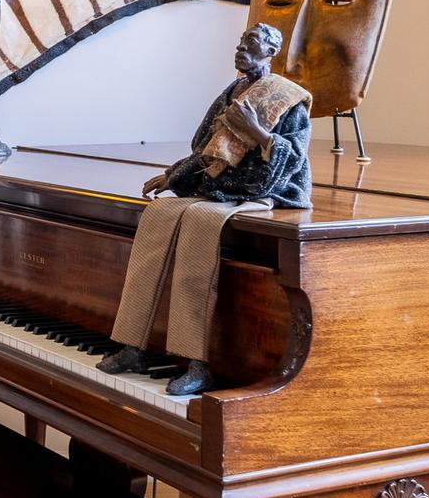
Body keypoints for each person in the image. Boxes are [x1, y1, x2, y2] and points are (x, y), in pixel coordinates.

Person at [97, 22, 312, 393]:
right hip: (218, 185)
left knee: (200, 222)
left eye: (251, 43)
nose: (241, 48)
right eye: (241, 42)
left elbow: (293, 157)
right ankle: (132, 344)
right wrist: (174, 175)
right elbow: (205, 148)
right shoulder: (233, 91)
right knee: (160, 213)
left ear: (271, 52)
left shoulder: (287, 97)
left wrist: (258, 131)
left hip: (263, 190)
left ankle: (196, 361)